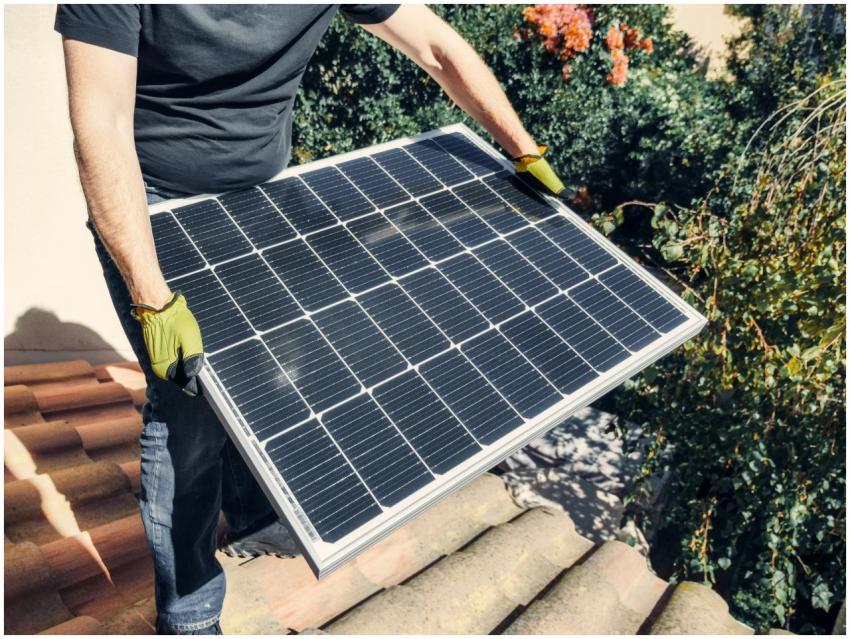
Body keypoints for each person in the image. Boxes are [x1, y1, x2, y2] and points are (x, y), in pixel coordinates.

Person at [56, 4, 569, 634]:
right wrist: (150, 296)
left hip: (262, 196)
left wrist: (522, 147)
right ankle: (187, 612)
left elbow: (436, 46)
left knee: (255, 371)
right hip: (153, 202)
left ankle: (251, 516)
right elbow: (100, 123)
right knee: (187, 410)